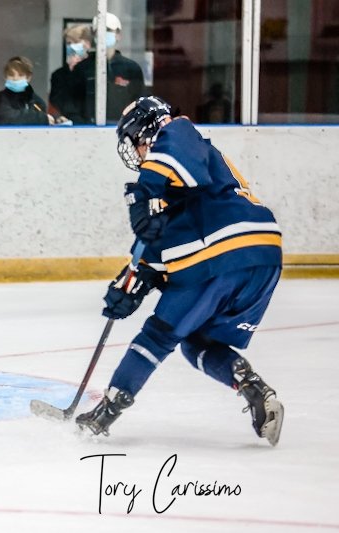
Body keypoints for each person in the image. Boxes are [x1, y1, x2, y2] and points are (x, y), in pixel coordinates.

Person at [75, 96, 285, 446]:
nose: (138, 153)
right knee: (198, 342)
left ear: (147, 131)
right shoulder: (179, 178)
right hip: (261, 257)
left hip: (221, 251)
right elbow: (160, 239)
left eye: (136, 142)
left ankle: (105, 413)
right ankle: (253, 388)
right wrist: (132, 281)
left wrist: (142, 192)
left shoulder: (178, 133)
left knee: (158, 335)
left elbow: (170, 151)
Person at [67, 12, 146, 124]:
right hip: (88, 129)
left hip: (122, 129)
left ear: (118, 34)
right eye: (99, 31)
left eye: (108, 30)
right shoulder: (82, 69)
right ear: (94, 35)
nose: (103, 34)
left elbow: (139, 102)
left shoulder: (131, 68)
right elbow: (72, 104)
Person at [0, 56, 54, 126]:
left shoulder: (37, 102)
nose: (15, 78)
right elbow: (8, 118)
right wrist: (41, 118)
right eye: (11, 75)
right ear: (5, 77)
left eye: (20, 75)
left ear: (28, 77)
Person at [49, 24, 93, 123]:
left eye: (76, 42)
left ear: (87, 44)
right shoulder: (59, 75)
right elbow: (57, 100)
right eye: (69, 43)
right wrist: (71, 73)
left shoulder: (94, 71)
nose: (71, 46)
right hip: (68, 122)